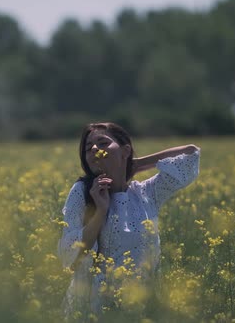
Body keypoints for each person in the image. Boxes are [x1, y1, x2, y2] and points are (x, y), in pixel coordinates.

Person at [57, 122, 200, 320]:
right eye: (88, 148)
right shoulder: (82, 192)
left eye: (103, 143)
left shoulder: (146, 193)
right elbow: (70, 255)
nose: (95, 149)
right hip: (95, 309)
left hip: (141, 305)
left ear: (125, 151)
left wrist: (138, 164)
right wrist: (100, 211)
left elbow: (190, 155)